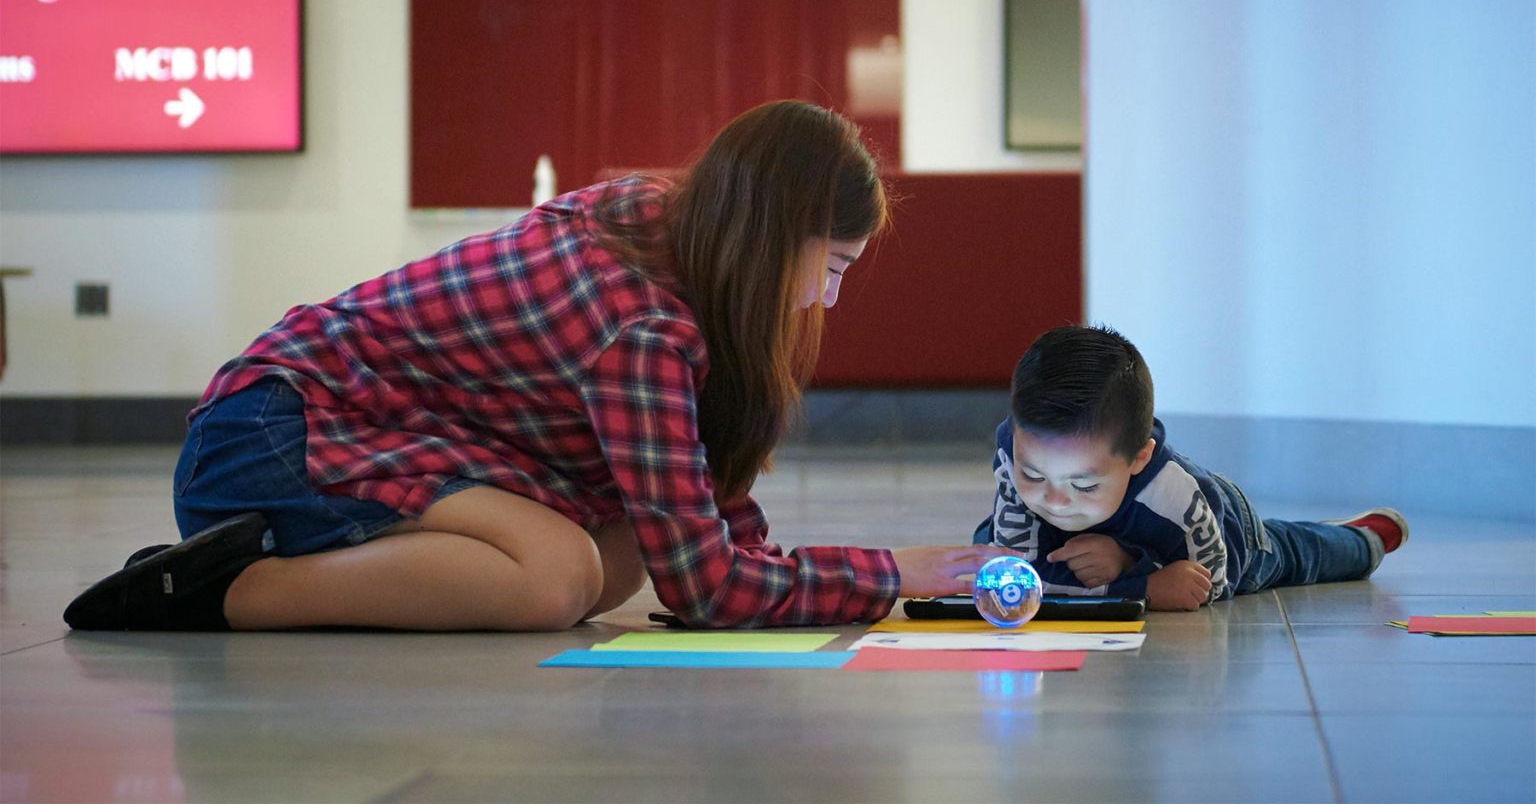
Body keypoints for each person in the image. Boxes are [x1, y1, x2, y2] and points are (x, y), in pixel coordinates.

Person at [66, 100, 1005, 633]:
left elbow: (694, 528)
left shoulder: (678, 221)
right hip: (274, 432)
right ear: (768, 243)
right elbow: (709, 588)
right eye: (829, 268)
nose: (824, 303)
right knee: (554, 578)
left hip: (363, 428)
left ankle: (268, 571)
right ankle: (216, 591)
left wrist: (778, 557)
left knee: (617, 558)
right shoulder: (639, 323)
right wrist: (893, 572)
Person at [973, 325, 1408, 611]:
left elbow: (1207, 583)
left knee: (1297, 552)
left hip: (1229, 531)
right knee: (984, 545)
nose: (1055, 499)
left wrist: (1134, 572)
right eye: (1034, 476)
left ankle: (1363, 539)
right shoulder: (1016, 457)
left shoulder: (1171, 494)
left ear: (1139, 457)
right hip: (1106, 545)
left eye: (1084, 485)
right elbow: (1018, 579)